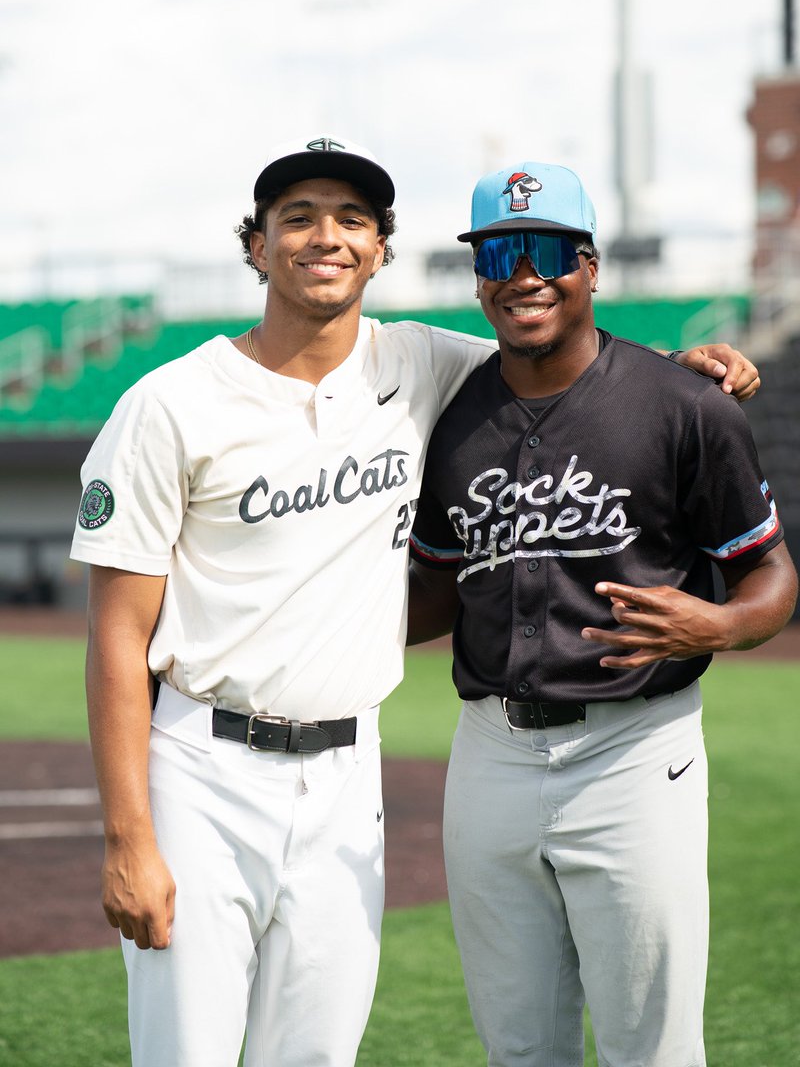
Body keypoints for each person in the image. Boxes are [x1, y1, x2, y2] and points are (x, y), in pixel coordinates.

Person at [70, 136, 762, 1067]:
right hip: (205, 762)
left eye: (353, 219)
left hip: (349, 774)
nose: (328, 237)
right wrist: (127, 840)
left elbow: (570, 364)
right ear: (257, 245)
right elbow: (117, 639)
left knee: (317, 1054)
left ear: (383, 249)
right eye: (299, 218)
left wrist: (685, 368)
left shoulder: (423, 363)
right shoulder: (168, 404)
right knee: (184, 1052)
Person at [407, 159, 798, 1067]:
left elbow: (772, 577)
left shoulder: (687, 404)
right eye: (499, 254)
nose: (523, 275)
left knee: (652, 1048)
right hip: (491, 751)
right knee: (518, 1047)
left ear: (589, 265)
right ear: (478, 276)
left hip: (635, 750)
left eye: (547, 250)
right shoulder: (452, 419)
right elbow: (429, 588)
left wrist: (721, 625)